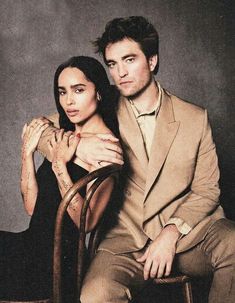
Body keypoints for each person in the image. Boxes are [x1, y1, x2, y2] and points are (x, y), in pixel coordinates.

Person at [36, 17, 235, 303]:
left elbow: (208, 189)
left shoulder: (194, 117)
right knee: (95, 296)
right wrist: (80, 148)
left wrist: (171, 231)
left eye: (129, 60)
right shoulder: (101, 107)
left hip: (187, 239)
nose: (120, 73)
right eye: (112, 64)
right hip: (125, 239)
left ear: (152, 60)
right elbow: (40, 128)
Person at [0, 56, 118, 302]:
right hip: (29, 247)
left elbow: (87, 222)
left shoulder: (106, 149)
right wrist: (26, 154)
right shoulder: (64, 135)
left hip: (56, 265)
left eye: (79, 90)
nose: (69, 101)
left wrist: (59, 165)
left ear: (98, 92)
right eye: (62, 92)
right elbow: (33, 207)